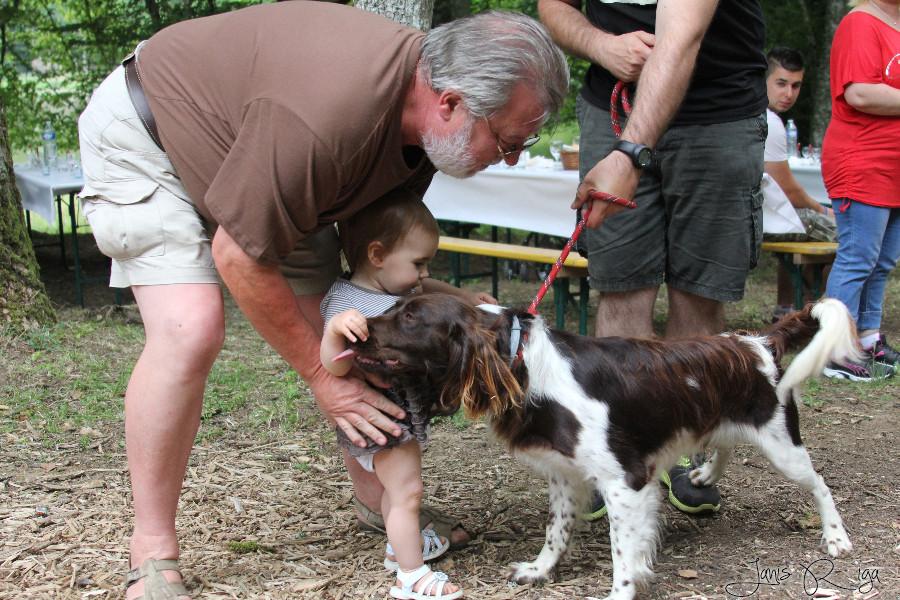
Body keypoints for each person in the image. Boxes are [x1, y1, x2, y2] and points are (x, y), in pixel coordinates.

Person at [76, 3, 569, 598]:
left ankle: (382, 501)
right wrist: (319, 375)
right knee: (191, 327)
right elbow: (239, 255)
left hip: (264, 162)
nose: (510, 158)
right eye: (507, 140)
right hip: (151, 134)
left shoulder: (420, 127)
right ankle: (153, 551)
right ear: (450, 103)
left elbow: (368, 273)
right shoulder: (328, 120)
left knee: (361, 337)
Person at [537, 0, 767, 517]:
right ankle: (619, 446)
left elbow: (680, 38)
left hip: (718, 112)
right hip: (612, 106)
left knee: (699, 293)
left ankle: (682, 444)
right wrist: (599, 44)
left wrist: (630, 153)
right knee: (621, 284)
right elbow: (553, 5)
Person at [321, 191, 493, 599]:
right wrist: (333, 331)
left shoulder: (391, 288)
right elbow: (334, 366)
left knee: (396, 491)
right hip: (380, 418)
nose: (424, 273)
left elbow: (427, 286)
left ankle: (398, 551)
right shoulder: (350, 307)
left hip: (399, 415)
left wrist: (466, 298)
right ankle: (411, 577)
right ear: (378, 255)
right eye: (418, 263)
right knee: (406, 493)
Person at [820, 0, 900, 382]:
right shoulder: (860, 22)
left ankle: (867, 338)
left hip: (894, 168)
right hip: (863, 161)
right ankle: (834, 349)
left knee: (881, 261)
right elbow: (860, 94)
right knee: (858, 258)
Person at [762, 46, 837, 321]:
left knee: (799, 219)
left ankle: (787, 308)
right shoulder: (769, 121)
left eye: (796, 86)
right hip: (761, 219)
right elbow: (789, 192)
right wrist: (824, 210)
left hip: (763, 214)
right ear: (763, 80)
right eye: (781, 83)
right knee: (848, 235)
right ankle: (819, 314)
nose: (789, 94)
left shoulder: (756, 115)